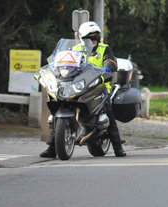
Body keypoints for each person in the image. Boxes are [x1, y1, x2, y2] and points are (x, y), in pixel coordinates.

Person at [40, 21, 127, 158]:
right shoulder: (75, 50)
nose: (93, 41)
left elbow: (112, 61)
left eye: (95, 38)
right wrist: (54, 68)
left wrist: (107, 67)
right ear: (82, 38)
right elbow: (62, 62)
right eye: (89, 38)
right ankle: (52, 148)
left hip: (100, 85)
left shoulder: (105, 49)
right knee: (59, 109)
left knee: (108, 110)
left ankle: (118, 147)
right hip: (78, 85)